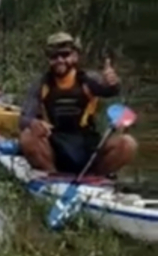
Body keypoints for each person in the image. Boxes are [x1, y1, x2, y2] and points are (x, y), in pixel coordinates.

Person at [18, 32, 138, 175]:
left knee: (127, 144)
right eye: (54, 57)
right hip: (54, 145)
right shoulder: (41, 84)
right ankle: (53, 176)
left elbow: (110, 91)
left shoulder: (88, 79)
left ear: (74, 56)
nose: (60, 60)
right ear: (49, 59)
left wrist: (114, 83)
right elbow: (23, 118)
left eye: (65, 55)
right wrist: (33, 124)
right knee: (27, 137)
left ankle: (96, 177)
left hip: (86, 144)